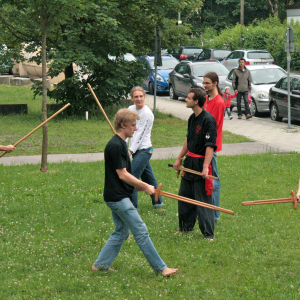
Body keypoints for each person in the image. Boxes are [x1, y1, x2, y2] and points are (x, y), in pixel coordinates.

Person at [92, 108, 177, 277]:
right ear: (123, 125)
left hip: (118, 194)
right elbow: (121, 174)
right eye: (132, 126)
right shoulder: (115, 146)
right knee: (140, 229)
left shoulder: (121, 144)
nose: (135, 129)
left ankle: (100, 265)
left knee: (122, 231)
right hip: (117, 198)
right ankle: (161, 268)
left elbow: (125, 174)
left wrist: (136, 185)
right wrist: (145, 186)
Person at [173, 88, 217, 240]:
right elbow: (188, 140)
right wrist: (179, 159)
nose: (186, 100)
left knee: (202, 199)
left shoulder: (208, 120)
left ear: (196, 101)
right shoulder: (192, 118)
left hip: (200, 163)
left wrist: (205, 167)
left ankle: (208, 234)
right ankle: (185, 228)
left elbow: (210, 146)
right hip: (189, 162)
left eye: (188, 98)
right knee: (184, 196)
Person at [127, 86, 164, 210]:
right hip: (136, 149)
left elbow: (140, 135)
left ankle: (132, 209)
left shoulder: (147, 114)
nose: (139, 99)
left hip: (144, 150)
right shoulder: (130, 110)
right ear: (132, 98)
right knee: (149, 179)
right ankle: (158, 204)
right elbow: (126, 130)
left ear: (145, 97)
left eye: (141, 96)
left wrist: (130, 151)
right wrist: (122, 142)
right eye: (136, 96)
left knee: (132, 178)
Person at [203, 72, 225, 223]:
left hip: (211, 146)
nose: (205, 86)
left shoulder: (219, 102)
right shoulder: (206, 99)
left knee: (214, 180)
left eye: (207, 83)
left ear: (215, 83)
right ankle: (205, 211)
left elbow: (213, 128)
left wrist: (207, 146)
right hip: (203, 144)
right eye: (203, 83)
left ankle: (215, 214)